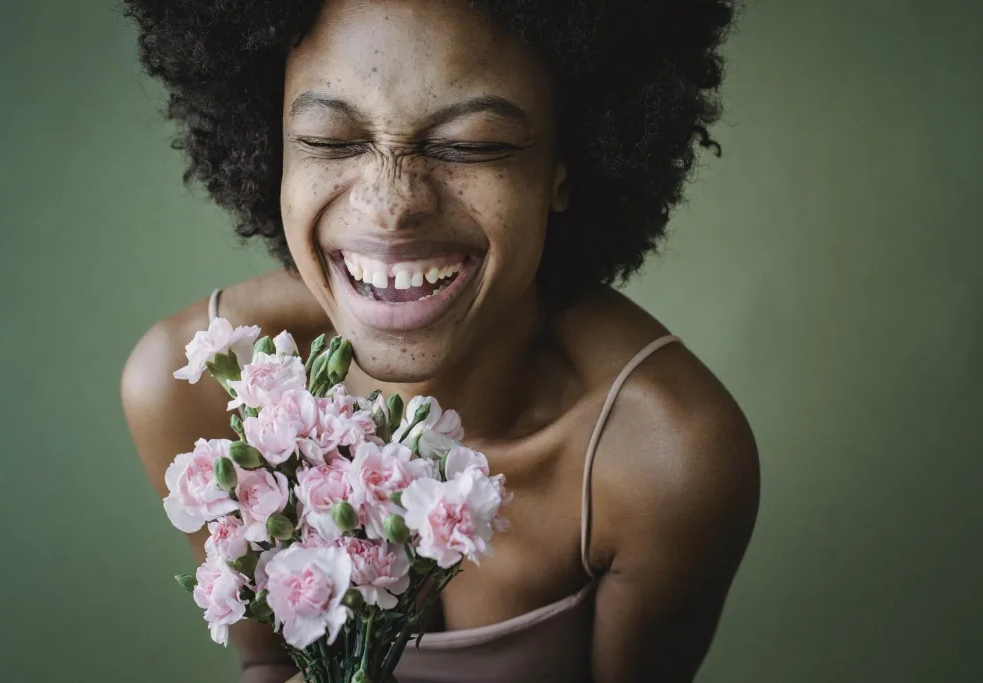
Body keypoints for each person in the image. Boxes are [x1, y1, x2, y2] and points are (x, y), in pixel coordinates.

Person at [119, 1, 759, 681]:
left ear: (565, 167)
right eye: (331, 139)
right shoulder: (198, 390)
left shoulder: (665, 459)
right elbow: (267, 665)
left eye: (471, 144)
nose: (391, 204)